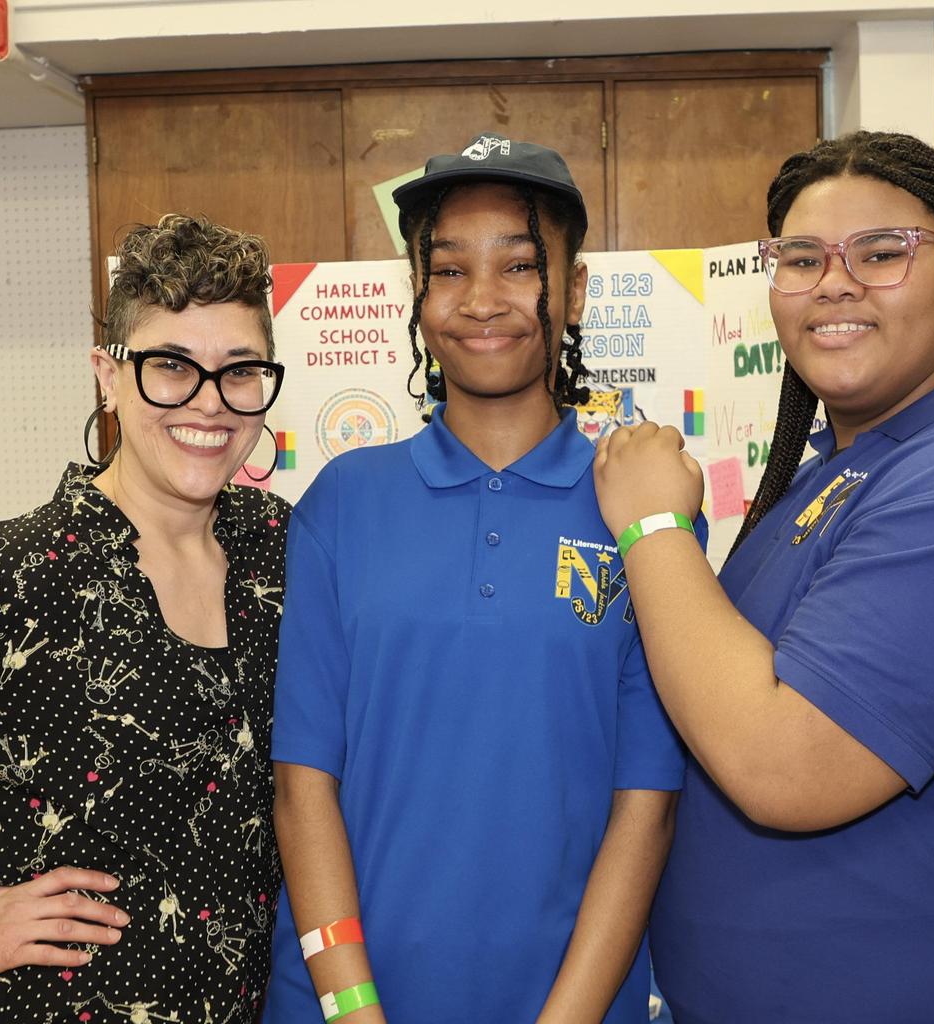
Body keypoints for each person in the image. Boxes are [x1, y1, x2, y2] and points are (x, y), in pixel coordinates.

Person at [593, 130, 934, 1022]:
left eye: (881, 252)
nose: (834, 282)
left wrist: (652, 525)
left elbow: (785, 766)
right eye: (801, 258)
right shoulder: (839, 470)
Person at [264, 133, 694, 1024]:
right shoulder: (343, 501)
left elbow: (646, 807)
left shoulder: (641, 507)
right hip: (347, 1005)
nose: (483, 300)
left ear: (576, 290)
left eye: (521, 265)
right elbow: (304, 790)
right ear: (417, 296)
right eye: (450, 270)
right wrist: (352, 1009)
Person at [0, 214, 290, 1022]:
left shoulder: (289, 552)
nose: (210, 401)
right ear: (109, 374)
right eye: (171, 366)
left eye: (239, 371)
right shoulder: (18, 573)